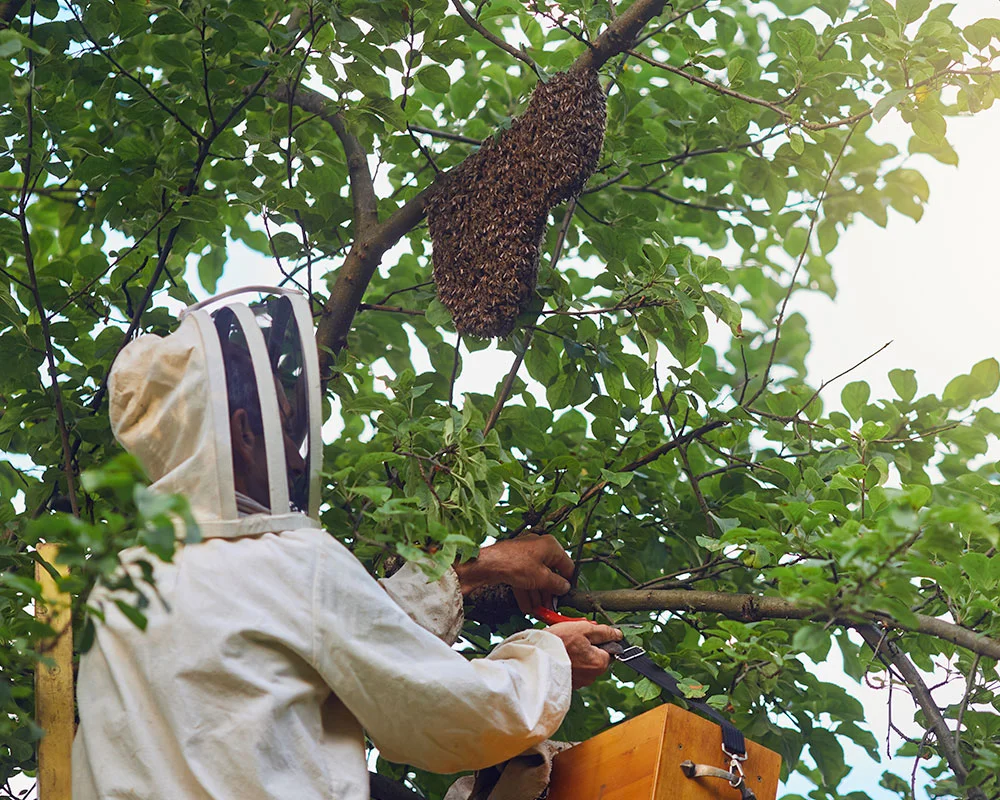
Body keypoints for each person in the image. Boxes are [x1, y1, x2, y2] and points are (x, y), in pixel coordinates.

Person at [72, 288, 621, 800]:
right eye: (285, 430)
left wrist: (480, 568)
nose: (294, 454)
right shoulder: (285, 562)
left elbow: (338, 633)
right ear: (241, 431)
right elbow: (445, 712)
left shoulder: (122, 587)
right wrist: (552, 657)